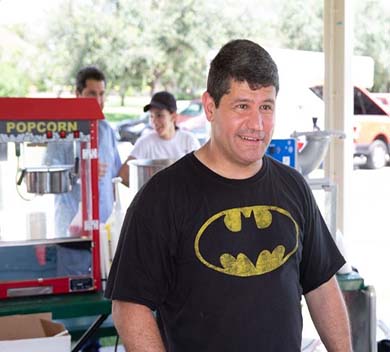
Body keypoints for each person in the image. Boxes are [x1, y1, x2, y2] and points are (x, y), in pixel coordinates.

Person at [105, 39, 352, 351]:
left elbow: (321, 285)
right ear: (210, 106)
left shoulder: (293, 187)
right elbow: (130, 307)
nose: (257, 123)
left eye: (266, 106)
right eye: (242, 106)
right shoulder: (163, 197)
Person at [47, 66, 122, 352]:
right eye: (92, 93)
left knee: (103, 304)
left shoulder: (106, 130)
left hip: (102, 235)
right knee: (74, 310)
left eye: (102, 94)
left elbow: (115, 174)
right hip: (71, 235)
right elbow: (50, 176)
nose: (99, 100)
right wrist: (81, 170)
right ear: (78, 93)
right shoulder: (60, 130)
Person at [118, 91, 200, 186]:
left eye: (159, 115)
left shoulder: (189, 141)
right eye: (152, 116)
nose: (154, 122)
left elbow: (200, 174)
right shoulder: (145, 142)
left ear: (173, 116)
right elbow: (123, 175)